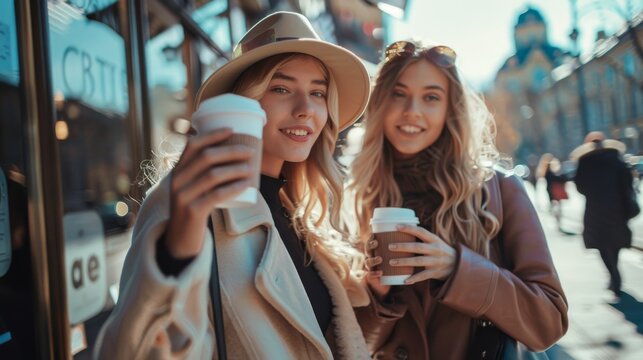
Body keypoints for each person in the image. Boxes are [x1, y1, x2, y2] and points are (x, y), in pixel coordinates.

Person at [95, 12, 371, 359]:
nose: (305, 109)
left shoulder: (299, 208)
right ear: (244, 103)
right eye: (281, 88)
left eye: (318, 92)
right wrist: (177, 250)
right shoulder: (187, 202)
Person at [347, 40, 568, 359]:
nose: (413, 111)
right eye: (399, 93)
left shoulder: (499, 189)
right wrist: (378, 297)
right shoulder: (358, 197)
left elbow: (549, 322)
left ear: (451, 109)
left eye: (431, 97)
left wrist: (457, 269)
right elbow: (353, 345)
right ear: (381, 102)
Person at [572, 131, 634, 297]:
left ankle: (613, 274)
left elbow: (580, 187)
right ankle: (615, 272)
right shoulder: (616, 159)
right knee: (616, 242)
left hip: (595, 210)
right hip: (618, 208)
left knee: (602, 244)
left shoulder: (585, 161)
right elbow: (627, 182)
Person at [536, 153, 569, 233]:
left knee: (554, 206)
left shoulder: (545, 171)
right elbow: (559, 178)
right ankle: (558, 222)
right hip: (554, 190)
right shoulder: (550, 171)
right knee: (557, 207)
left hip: (550, 190)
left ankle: (557, 222)